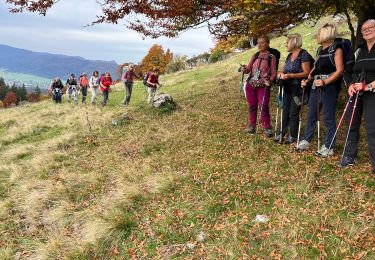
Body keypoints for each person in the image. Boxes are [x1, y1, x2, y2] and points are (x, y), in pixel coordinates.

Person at [296, 23, 345, 156]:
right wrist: (308, 79)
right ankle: (306, 140)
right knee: (312, 114)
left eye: (319, 33)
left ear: (327, 34)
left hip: (329, 87)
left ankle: (329, 146)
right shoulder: (319, 50)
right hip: (315, 85)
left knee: (328, 117)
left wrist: (325, 82)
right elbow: (315, 68)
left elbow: (340, 70)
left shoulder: (336, 48)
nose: (317, 35)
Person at [339, 19, 375, 177]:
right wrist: (351, 85)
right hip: (356, 92)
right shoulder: (359, 50)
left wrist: (368, 86)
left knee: (372, 128)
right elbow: (350, 70)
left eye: (371, 28)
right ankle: (349, 156)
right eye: (364, 29)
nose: (366, 31)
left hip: (372, 93)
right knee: (351, 124)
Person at [277, 33, 313, 144]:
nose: (285, 44)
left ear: (294, 42)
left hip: (298, 88)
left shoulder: (304, 54)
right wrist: (281, 74)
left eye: (287, 42)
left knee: (293, 112)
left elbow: (307, 72)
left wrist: (291, 75)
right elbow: (284, 70)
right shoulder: (289, 56)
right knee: (285, 110)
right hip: (287, 87)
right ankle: (282, 133)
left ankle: (293, 135)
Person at [241, 35, 277, 138]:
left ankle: (267, 127)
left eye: (262, 42)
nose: (260, 45)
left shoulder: (271, 57)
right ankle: (252, 126)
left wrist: (270, 81)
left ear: (267, 43)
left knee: (263, 106)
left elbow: (274, 73)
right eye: (258, 43)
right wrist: (244, 69)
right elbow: (248, 69)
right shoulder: (255, 55)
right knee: (252, 106)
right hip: (251, 84)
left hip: (263, 86)